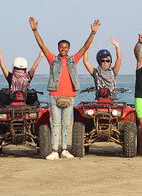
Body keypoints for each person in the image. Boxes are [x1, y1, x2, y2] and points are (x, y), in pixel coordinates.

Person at [30, 16, 100, 160]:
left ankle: (64, 150)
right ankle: (55, 150)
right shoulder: (53, 59)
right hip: (54, 95)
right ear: (58, 49)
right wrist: (35, 30)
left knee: (66, 124)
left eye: (66, 47)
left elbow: (85, 47)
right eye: (61, 47)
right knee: (55, 123)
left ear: (69, 49)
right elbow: (42, 46)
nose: (63, 49)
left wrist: (93, 33)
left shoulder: (73, 60)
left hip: (69, 96)